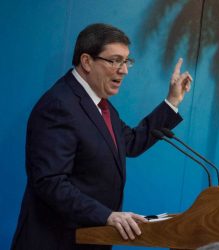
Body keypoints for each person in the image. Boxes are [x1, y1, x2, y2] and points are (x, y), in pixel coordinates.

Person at [11, 23, 192, 250]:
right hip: (56, 241)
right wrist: (107, 215)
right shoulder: (59, 105)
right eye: (115, 60)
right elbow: (50, 182)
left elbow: (131, 143)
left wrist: (172, 101)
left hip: (91, 239)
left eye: (126, 61)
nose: (124, 69)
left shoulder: (101, 105)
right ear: (87, 61)